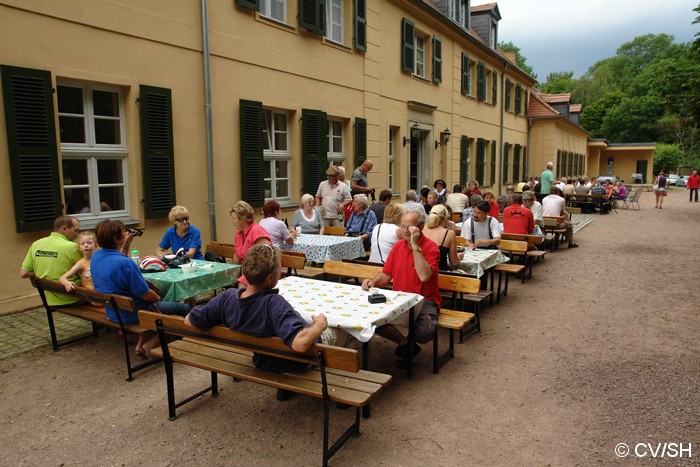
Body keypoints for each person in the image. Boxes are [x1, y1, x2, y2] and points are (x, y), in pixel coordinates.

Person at [184, 244, 329, 401]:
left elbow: (188, 321)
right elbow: (300, 343)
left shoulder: (227, 298)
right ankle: (341, 389)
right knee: (340, 332)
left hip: (262, 360)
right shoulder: (273, 304)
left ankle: (285, 388)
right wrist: (319, 325)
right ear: (270, 278)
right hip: (297, 362)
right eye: (278, 270)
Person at [91, 219, 191, 357]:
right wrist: (159, 297)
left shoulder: (96, 256)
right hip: (133, 314)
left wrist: (126, 245)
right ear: (116, 238)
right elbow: (146, 294)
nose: (125, 234)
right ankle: (148, 346)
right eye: (123, 232)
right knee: (182, 308)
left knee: (159, 307)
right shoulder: (125, 263)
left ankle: (141, 344)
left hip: (112, 311)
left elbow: (117, 261)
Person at [361, 206, 441, 365]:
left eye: (409, 227)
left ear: (420, 228)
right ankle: (406, 344)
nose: (404, 230)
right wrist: (372, 281)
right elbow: (386, 275)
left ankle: (410, 343)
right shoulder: (397, 247)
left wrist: (415, 246)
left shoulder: (431, 248)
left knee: (424, 333)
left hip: (424, 299)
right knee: (370, 320)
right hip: (399, 298)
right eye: (402, 226)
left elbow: (424, 276)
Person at [19, 215, 83, 306]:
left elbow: (24, 273)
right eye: (75, 230)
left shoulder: (36, 244)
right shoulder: (72, 247)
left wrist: (40, 271)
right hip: (72, 298)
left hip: (49, 301)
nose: (77, 234)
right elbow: (86, 270)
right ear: (64, 228)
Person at [230, 201, 272, 266]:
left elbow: (266, 259)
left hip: (260, 272)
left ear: (243, 218)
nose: (232, 222)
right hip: (247, 270)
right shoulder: (239, 233)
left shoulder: (257, 232)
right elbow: (238, 255)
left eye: (234, 219)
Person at [424, 204, 460, 270]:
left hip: (420, 273)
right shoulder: (449, 234)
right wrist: (460, 257)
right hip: (440, 274)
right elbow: (454, 262)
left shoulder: (421, 229)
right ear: (444, 219)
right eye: (448, 218)